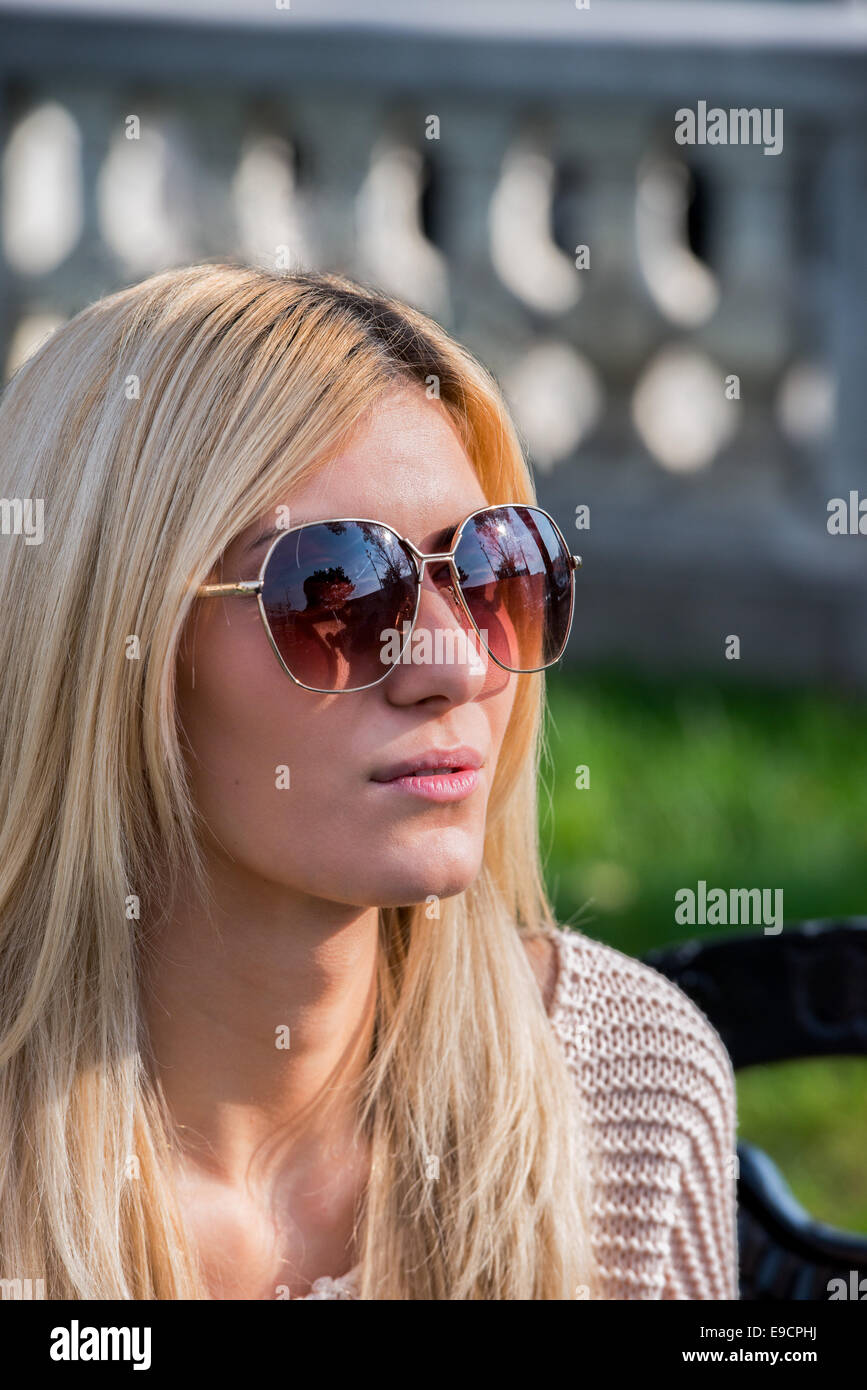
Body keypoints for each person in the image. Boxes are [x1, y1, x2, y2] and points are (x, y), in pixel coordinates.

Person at [0, 262, 737, 1299]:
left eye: (493, 573)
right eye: (333, 591)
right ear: (108, 640)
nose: (461, 665)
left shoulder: (625, 1092)